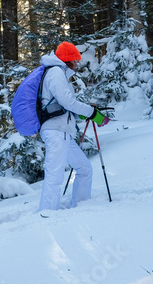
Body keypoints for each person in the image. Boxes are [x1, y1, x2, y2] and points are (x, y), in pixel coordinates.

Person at [38, 41, 109, 211]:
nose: (77, 64)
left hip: (62, 131)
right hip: (55, 131)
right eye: (75, 60)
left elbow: (62, 106)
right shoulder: (55, 73)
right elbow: (68, 102)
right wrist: (92, 113)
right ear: (67, 60)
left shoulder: (60, 73)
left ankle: (81, 207)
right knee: (55, 176)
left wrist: (84, 113)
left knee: (84, 169)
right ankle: (46, 215)